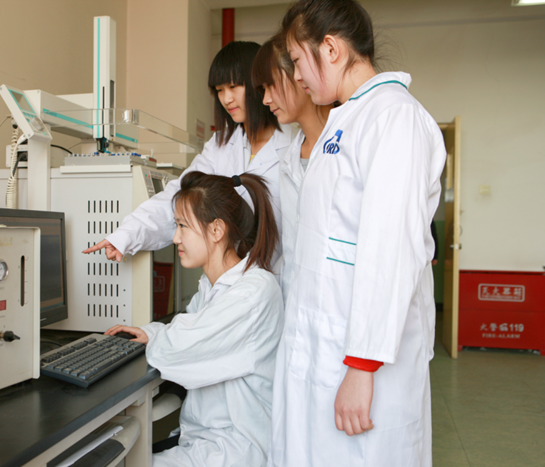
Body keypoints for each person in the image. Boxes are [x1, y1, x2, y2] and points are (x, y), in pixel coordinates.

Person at [268, 1, 447, 466]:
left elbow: (391, 249)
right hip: (321, 349)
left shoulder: (395, 117)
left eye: (297, 60)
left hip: (363, 363)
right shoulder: (342, 123)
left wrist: (362, 366)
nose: (297, 76)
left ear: (330, 48)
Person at [106, 171, 285, 467]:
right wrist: (151, 333)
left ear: (216, 230)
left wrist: (155, 336)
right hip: (205, 440)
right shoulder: (214, 285)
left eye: (182, 226)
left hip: (233, 450)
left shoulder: (252, 293)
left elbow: (180, 348)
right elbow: (190, 327)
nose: (175, 238)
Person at [83, 41, 293, 265]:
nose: (226, 99)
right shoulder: (220, 145)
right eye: (219, 90)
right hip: (224, 275)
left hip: (275, 275)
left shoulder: (293, 145)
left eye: (233, 86)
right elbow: (181, 197)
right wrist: (126, 235)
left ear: (257, 84)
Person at [251, 34, 334, 300]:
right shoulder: (290, 158)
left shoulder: (347, 144)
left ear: (301, 73)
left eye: (271, 85)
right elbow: (293, 250)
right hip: (299, 302)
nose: (265, 99)